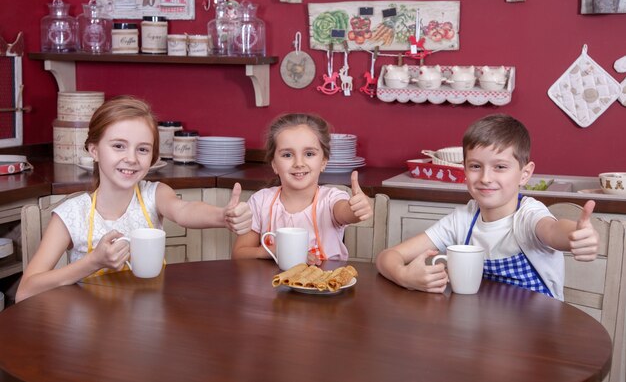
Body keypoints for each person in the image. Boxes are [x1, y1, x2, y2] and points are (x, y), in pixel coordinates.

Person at [16, 96, 252, 302]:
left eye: (142, 149)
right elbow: (25, 291)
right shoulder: (72, 214)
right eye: (119, 146)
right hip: (90, 331)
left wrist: (222, 216)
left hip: (147, 320)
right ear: (94, 150)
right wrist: (93, 262)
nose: (131, 158)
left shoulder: (154, 194)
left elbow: (185, 210)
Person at [376, 114, 599, 300]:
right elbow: (388, 256)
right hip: (479, 337)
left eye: (500, 166)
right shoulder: (462, 220)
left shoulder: (528, 216)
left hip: (535, 341)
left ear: (525, 174)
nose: (485, 178)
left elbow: (553, 230)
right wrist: (404, 275)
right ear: (464, 169)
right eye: (475, 166)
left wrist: (575, 236)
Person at [231, 113, 372, 264]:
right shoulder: (260, 201)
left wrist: (357, 209)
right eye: (287, 155)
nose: (299, 163)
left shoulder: (331, 199)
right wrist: (272, 250)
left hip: (326, 285)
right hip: (272, 285)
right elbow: (239, 253)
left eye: (309, 154)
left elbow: (345, 212)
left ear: (323, 161)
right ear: (274, 164)